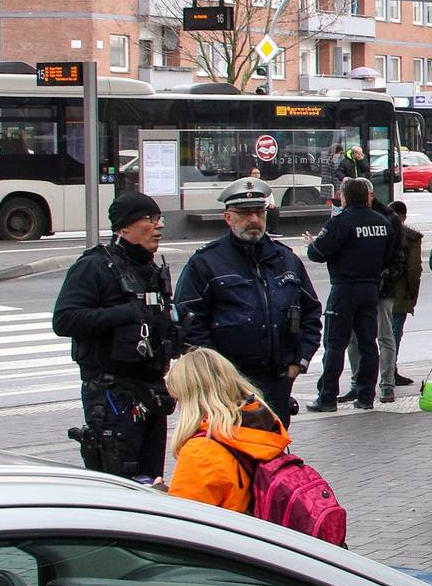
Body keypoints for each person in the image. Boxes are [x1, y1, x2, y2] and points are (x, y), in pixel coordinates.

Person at [176, 177, 320, 421]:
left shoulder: (285, 259)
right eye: (244, 213)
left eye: (258, 212)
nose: (253, 220)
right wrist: (219, 374)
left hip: (277, 382)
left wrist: (298, 363)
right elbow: (188, 323)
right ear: (228, 218)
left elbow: (311, 313)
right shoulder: (206, 263)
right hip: (227, 388)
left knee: (275, 456)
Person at [56, 192, 177, 481]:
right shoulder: (95, 266)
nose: (158, 226)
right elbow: (64, 320)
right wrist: (125, 314)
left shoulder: (151, 268)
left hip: (151, 392)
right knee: (120, 483)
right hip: (112, 395)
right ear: (123, 227)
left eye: (159, 218)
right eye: (149, 219)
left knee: (152, 482)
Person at [162, 347, 292, 516]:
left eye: (179, 399)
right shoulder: (265, 427)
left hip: (225, 538)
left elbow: (182, 523)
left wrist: (161, 499)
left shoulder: (201, 451)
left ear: (190, 399)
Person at [305, 177, 394, 413]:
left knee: (334, 344)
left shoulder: (341, 222)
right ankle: (366, 396)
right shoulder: (382, 222)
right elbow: (391, 254)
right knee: (368, 343)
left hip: (344, 288)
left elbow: (317, 253)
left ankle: (327, 397)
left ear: (344, 197)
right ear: (367, 196)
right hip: (371, 287)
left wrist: (312, 244)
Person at [380, 199, 425, 397]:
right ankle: (390, 374)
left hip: (378, 291)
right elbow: (414, 270)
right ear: (404, 216)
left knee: (378, 336)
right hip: (399, 293)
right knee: (393, 335)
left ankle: (379, 374)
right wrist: (413, 295)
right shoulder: (411, 237)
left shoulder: (380, 230)